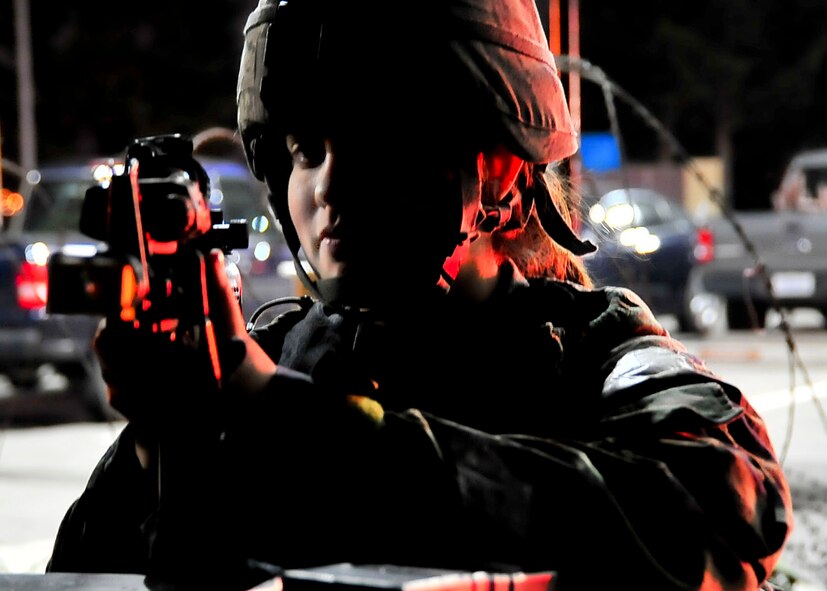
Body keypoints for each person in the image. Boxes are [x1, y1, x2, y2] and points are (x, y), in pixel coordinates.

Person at [46, 0, 793, 590]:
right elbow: (88, 575)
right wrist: (160, 450)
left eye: (378, 142)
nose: (329, 184)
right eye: (306, 150)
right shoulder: (259, 366)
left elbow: (715, 520)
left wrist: (281, 416)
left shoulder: (608, 363)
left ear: (499, 174)